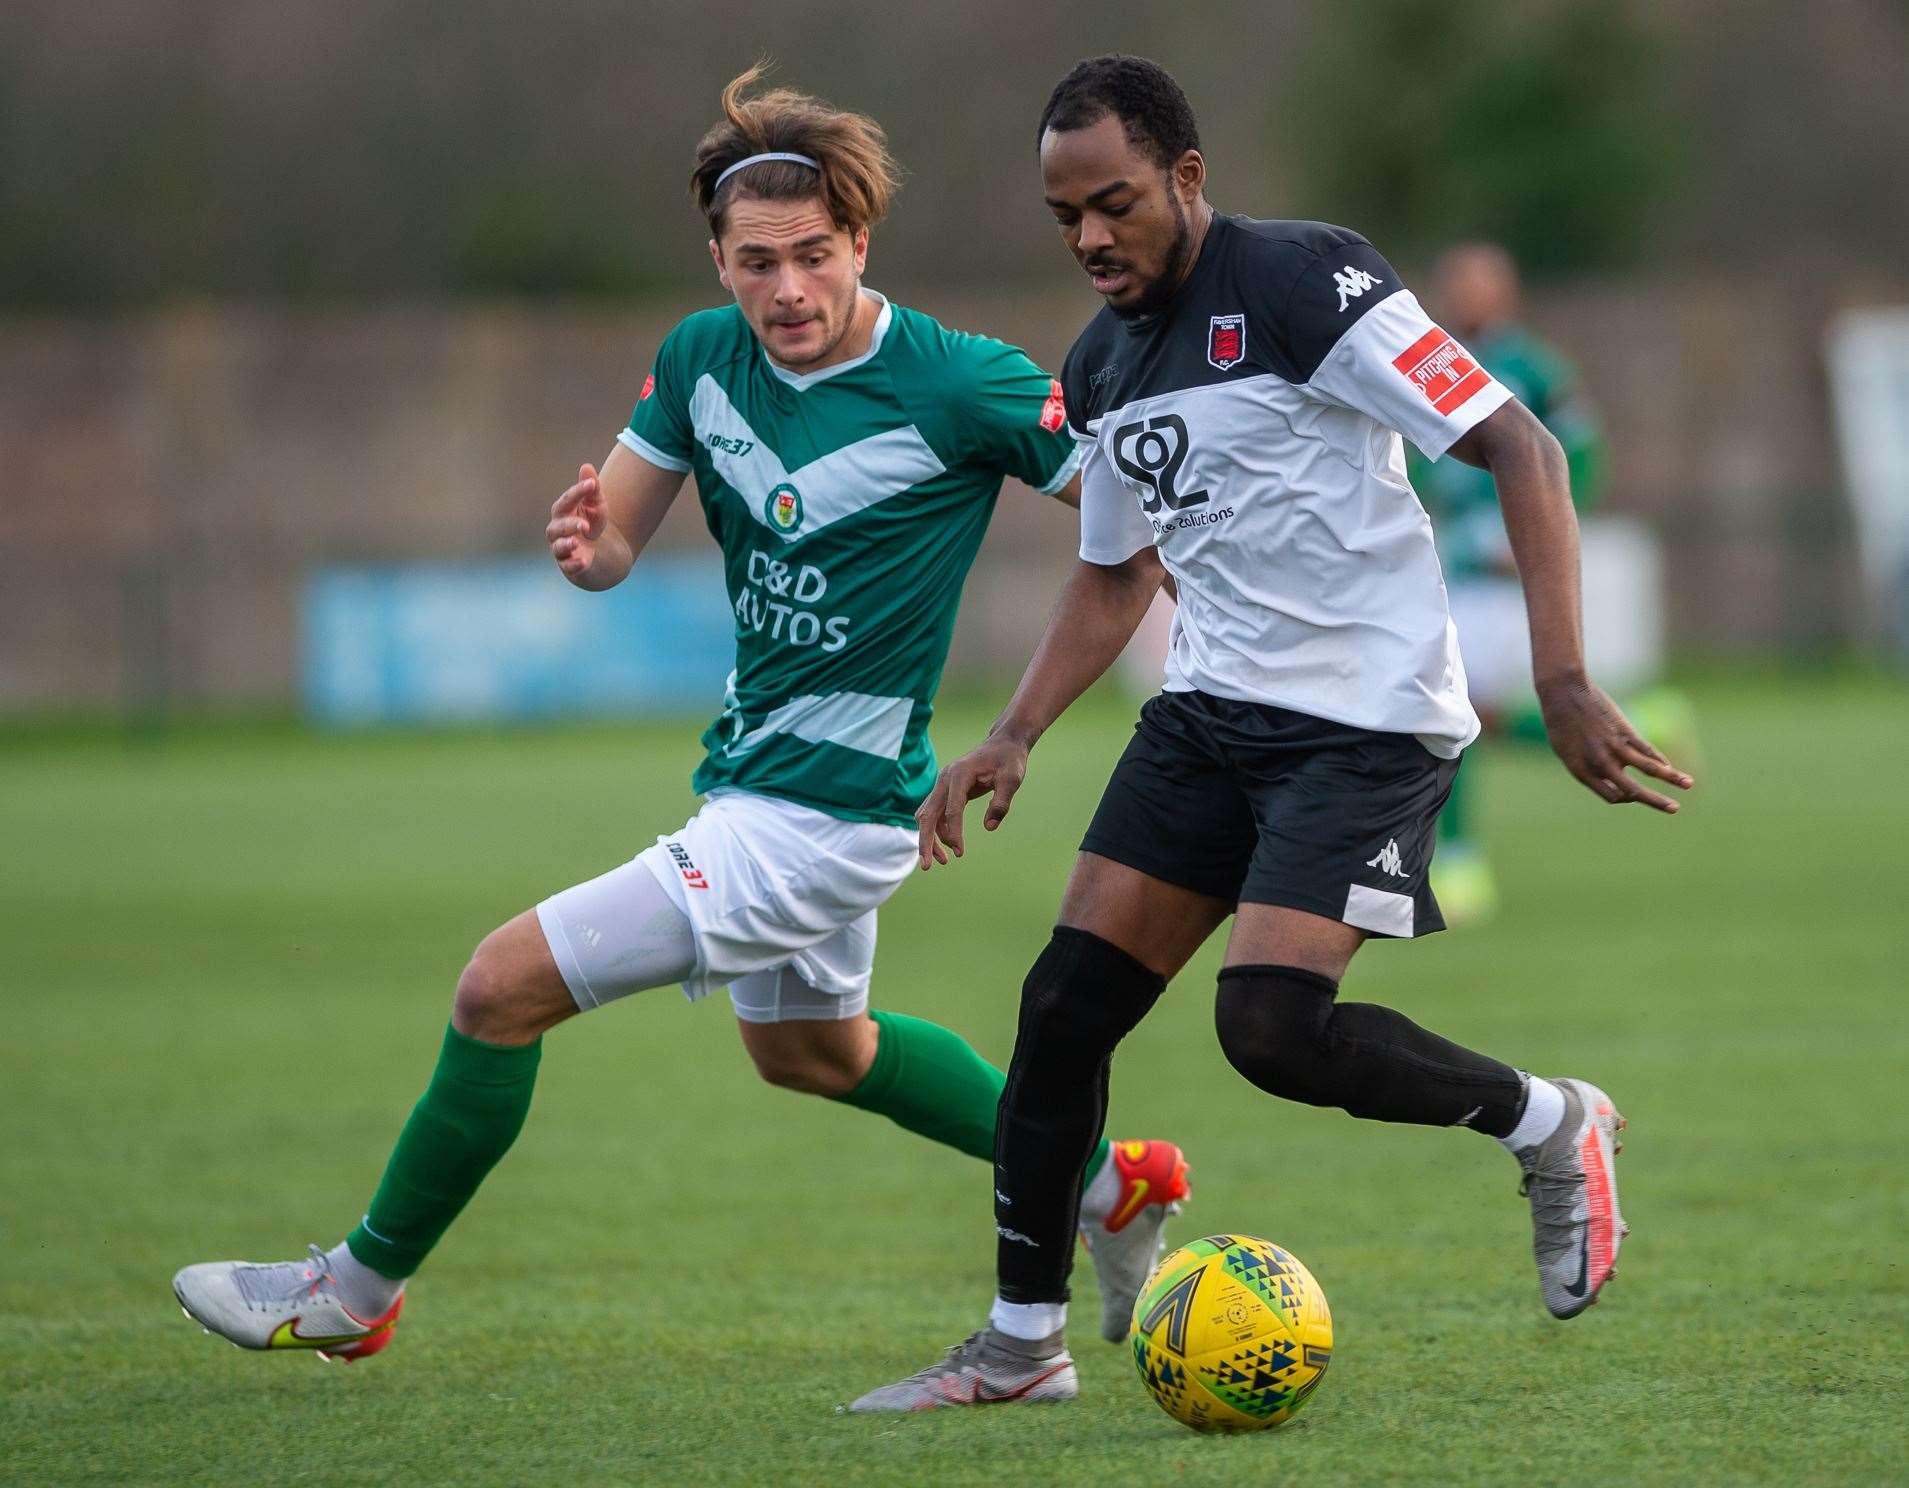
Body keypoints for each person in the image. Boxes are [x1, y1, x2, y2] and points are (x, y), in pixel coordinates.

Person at [171, 66, 1188, 1365]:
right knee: (817, 1054)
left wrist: (1037, 719)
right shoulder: (702, 360)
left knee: (498, 988)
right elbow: (615, 539)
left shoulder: (960, 383)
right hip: (756, 785)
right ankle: (1114, 1184)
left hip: (825, 816)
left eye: (814, 257)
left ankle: (352, 1294)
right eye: (755, 262)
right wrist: (590, 547)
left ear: (860, 243)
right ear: (717, 259)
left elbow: (1134, 532)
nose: (788, 291)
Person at [851, 55, 1691, 1412]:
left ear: (1186, 176)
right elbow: (1116, 572)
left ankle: (1552, 1123)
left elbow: (1520, 446)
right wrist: (1013, 732)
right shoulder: (1103, 357)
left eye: (1114, 204)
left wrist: (1566, 678)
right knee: (1062, 1012)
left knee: (1272, 1032)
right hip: (1203, 718)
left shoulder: (1307, 281)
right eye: (1064, 217)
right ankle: (1020, 1347)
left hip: (1361, 728)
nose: (1090, 239)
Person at [1412, 242, 1694, 923]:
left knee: (1454, 712)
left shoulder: (1534, 370)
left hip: (1508, 577)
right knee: (1468, 715)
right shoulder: (1423, 364)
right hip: (1453, 566)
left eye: (1480, 284)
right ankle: (1641, 725)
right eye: (1458, 283)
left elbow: (1580, 454)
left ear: (1505, 293)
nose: (1467, 295)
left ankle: (1456, 861)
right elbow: (1418, 464)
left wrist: (1543, 530)